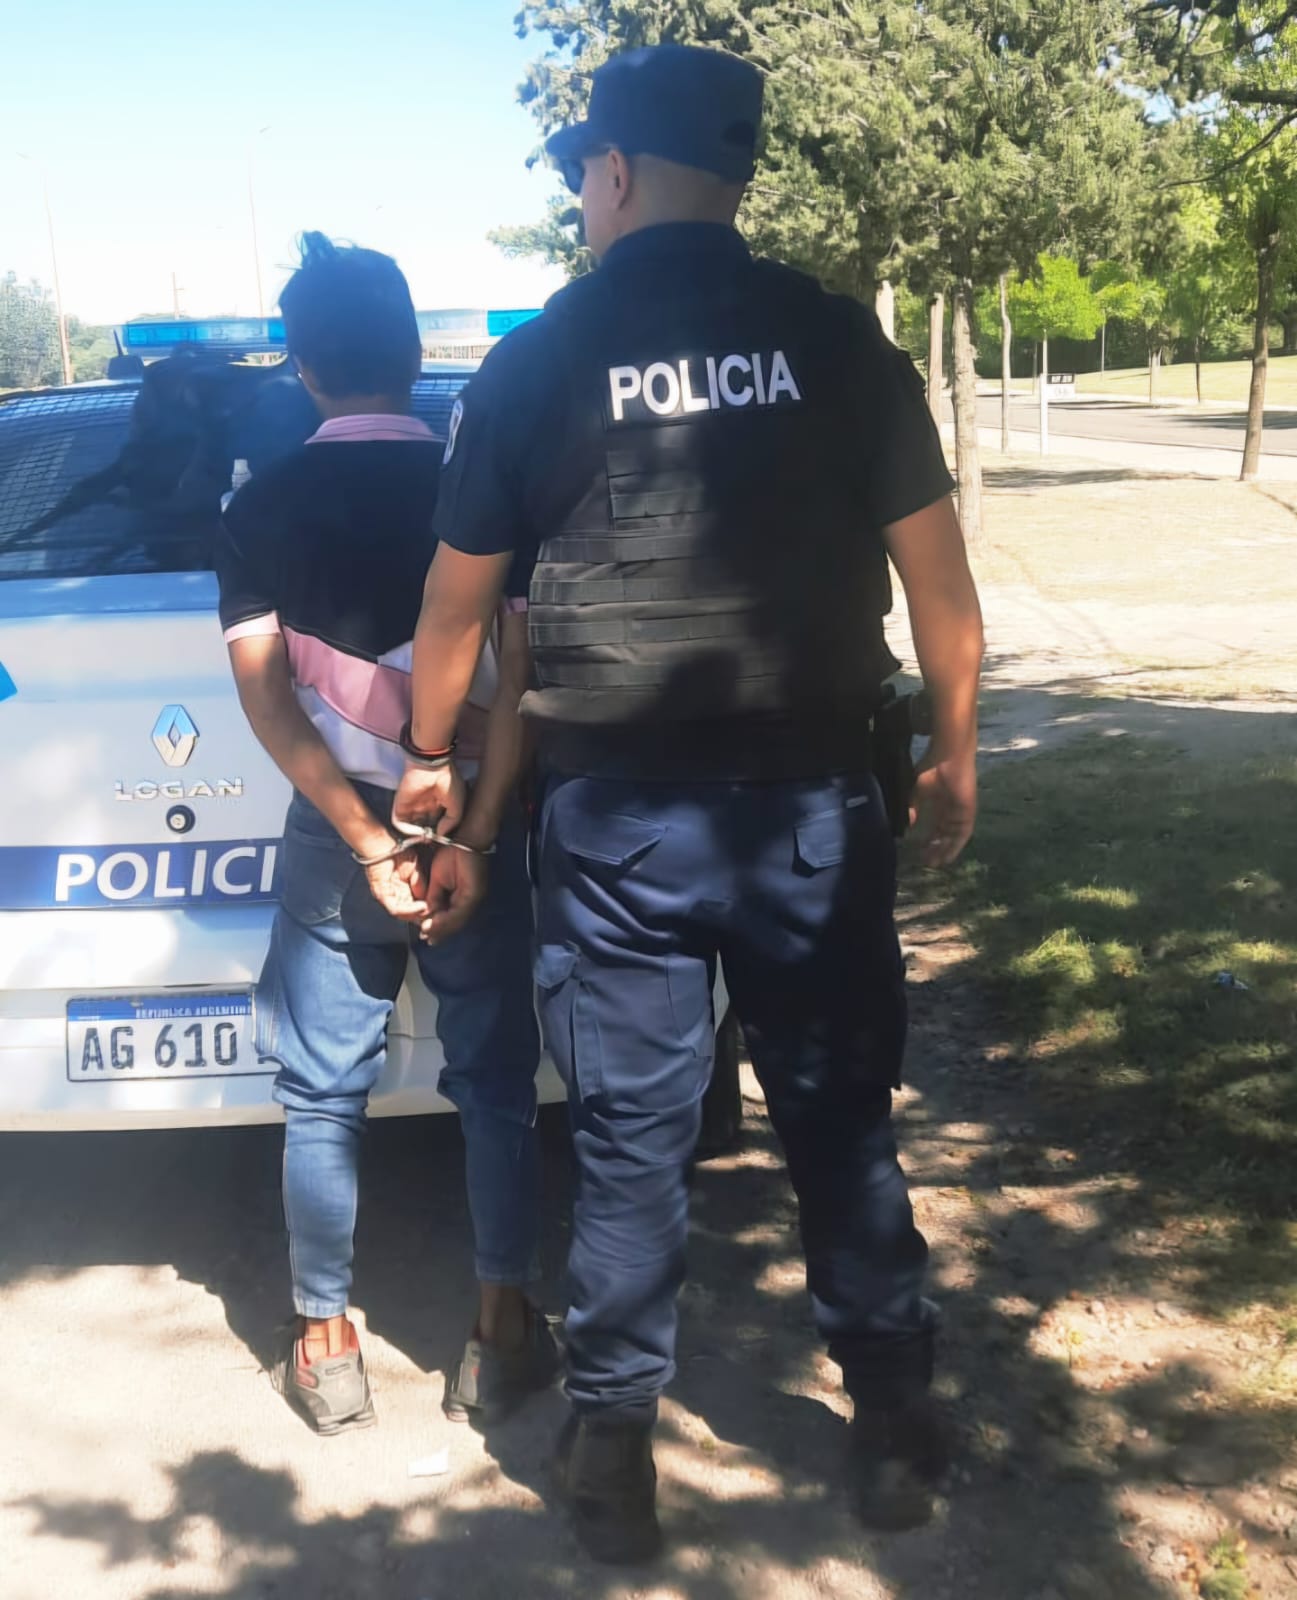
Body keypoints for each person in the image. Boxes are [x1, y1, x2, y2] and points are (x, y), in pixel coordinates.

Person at [395, 45, 984, 1560]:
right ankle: (893, 1428)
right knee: (839, 1122)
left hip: (620, 828)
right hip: (810, 815)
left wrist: (429, 758)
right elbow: (939, 586)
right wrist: (955, 748)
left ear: (612, 175)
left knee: (630, 1143)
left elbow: (455, 609)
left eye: (582, 179)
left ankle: (612, 1459)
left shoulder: (539, 363)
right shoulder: (837, 341)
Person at [215, 232, 557, 1437]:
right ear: (415, 356)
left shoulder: (255, 511)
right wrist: (481, 827)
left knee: (320, 1096)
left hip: (340, 838)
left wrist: (364, 838)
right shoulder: (489, 492)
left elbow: (268, 701)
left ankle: (325, 1343)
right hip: (473, 828)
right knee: (496, 1087)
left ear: (302, 367)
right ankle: (500, 1336)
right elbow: (521, 682)